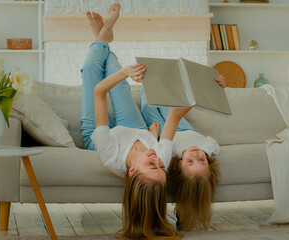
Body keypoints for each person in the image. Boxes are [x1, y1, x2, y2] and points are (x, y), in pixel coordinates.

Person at [80, 4, 184, 239]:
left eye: (151, 165)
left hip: (97, 134)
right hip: (136, 129)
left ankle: (103, 35)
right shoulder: (161, 161)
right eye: (161, 167)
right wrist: (206, 92)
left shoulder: (109, 155)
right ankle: (103, 36)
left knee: (91, 69)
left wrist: (127, 72)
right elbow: (176, 115)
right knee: (113, 66)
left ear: (132, 171)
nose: (158, 160)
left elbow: (99, 93)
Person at [140, 76, 225, 231]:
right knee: (169, 105)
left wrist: (153, 134)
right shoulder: (207, 147)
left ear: (179, 164)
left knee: (147, 106)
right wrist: (204, 153)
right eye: (201, 160)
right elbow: (214, 145)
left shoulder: (173, 154)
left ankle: (148, 82)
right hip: (184, 127)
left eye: (190, 162)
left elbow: (158, 148)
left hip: (164, 133)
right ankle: (163, 80)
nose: (195, 155)